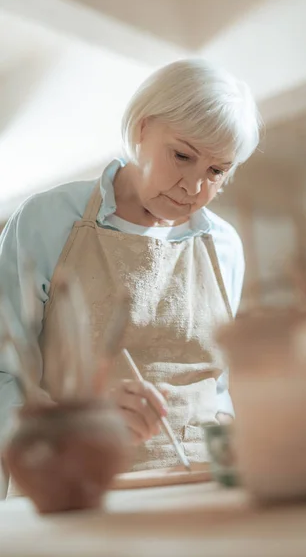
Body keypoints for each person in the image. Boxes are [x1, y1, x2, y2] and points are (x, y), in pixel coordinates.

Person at [0, 58, 261, 497]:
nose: (195, 188)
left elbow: (217, 388)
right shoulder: (44, 222)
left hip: (199, 489)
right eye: (182, 156)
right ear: (142, 128)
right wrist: (79, 424)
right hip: (74, 488)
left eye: (216, 172)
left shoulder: (226, 246)